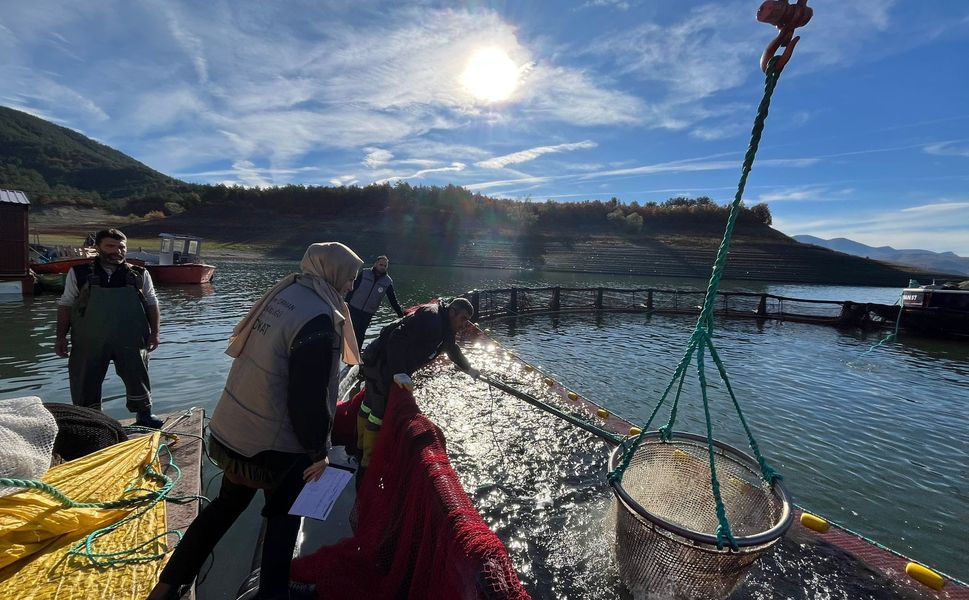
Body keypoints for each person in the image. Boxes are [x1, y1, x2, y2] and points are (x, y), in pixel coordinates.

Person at [147, 242, 363, 600]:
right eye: (351, 278)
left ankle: (169, 583)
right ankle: (272, 594)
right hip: (271, 444)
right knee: (283, 520)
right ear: (334, 272)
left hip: (233, 430)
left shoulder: (288, 291)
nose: (352, 286)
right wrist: (316, 454)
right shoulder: (319, 318)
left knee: (224, 507)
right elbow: (307, 398)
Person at [355, 297, 479, 485]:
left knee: (368, 405)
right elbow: (397, 337)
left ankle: (358, 447)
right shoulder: (432, 318)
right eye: (463, 318)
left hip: (379, 362)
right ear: (452, 311)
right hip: (382, 363)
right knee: (377, 414)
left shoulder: (444, 325)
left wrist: (468, 368)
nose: (464, 324)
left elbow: (451, 348)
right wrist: (398, 371)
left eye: (468, 320)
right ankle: (365, 466)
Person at [55, 229, 163, 428]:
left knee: (137, 374)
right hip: (90, 338)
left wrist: (155, 332)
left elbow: (151, 302)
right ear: (98, 248)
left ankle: (144, 414)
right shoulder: (79, 273)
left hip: (131, 337)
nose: (117, 251)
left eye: (121, 247)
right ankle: (89, 419)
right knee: (85, 378)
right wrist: (60, 336)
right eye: (110, 246)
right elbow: (66, 304)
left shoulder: (139, 273)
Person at [345, 255, 404, 347]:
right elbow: (352, 288)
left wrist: (401, 315)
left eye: (385, 266)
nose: (383, 267)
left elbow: (393, 300)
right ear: (376, 264)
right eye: (381, 264)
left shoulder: (387, 282)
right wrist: (345, 303)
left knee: (360, 335)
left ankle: (356, 357)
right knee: (349, 332)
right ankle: (344, 354)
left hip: (368, 313)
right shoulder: (364, 273)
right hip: (353, 308)